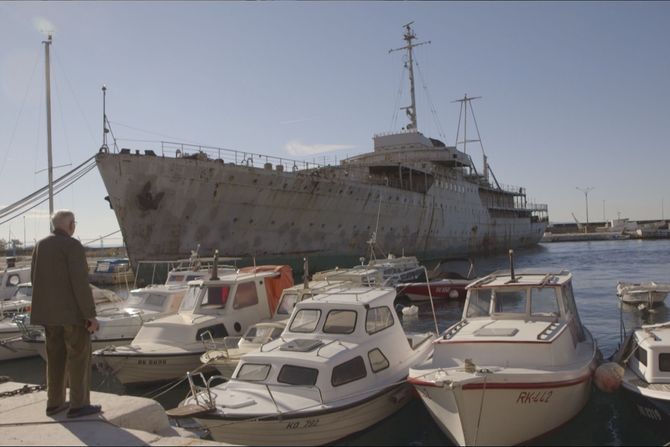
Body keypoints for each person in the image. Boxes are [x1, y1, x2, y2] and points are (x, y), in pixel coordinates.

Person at [30, 210, 102, 418]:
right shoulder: (72, 246)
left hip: (48, 315)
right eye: (74, 223)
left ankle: (54, 403)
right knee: (79, 357)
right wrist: (90, 315)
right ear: (70, 225)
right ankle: (79, 405)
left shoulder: (40, 245)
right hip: (72, 315)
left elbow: (35, 279)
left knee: (55, 358)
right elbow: (80, 284)